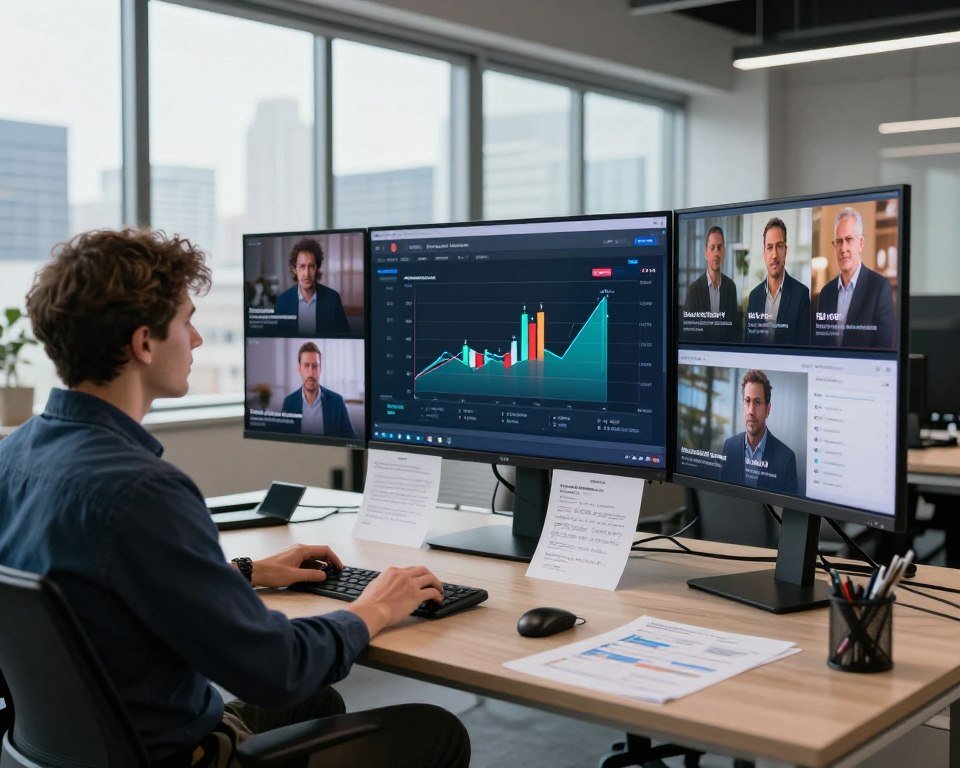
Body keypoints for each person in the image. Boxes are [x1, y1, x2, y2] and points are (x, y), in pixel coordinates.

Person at [0, 229, 469, 768]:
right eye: (186, 322)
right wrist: (374, 608)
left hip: (74, 750)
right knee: (434, 731)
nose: (197, 340)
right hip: (181, 755)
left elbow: (99, 585)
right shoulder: (141, 491)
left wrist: (246, 571)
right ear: (144, 343)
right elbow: (276, 669)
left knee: (318, 702)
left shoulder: (15, 457)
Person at [815, 206, 895, 348]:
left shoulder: (880, 288)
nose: (843, 248)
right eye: (838, 241)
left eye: (849, 239)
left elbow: (884, 348)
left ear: (861, 244)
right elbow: (819, 344)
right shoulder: (826, 293)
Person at [720, 369, 798, 495]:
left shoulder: (786, 458)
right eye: (747, 401)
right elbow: (721, 496)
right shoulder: (729, 447)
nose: (751, 410)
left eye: (757, 402)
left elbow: (789, 511)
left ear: (767, 409)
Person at [744, 217, 810, 345]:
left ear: (785, 250)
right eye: (769, 247)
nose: (774, 255)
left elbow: (803, 348)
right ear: (764, 254)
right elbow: (748, 344)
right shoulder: (754, 297)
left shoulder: (801, 294)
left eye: (779, 246)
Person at [274, 237, 350, 336]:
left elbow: (345, 336)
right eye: (302, 266)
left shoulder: (333, 299)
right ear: (294, 269)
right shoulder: (282, 302)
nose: (306, 273)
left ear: (317, 269)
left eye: (311, 266)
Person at [282, 342, 355, 438]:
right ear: (299, 369)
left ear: (320, 369)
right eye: (306, 366)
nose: (311, 373)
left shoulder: (337, 402)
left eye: (315, 366)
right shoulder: (289, 402)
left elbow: (351, 440)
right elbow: (284, 440)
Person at [682, 226, 740, 342]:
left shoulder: (731, 287)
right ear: (706, 253)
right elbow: (688, 332)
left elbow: (734, 329)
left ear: (724, 251)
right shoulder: (693, 290)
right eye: (712, 248)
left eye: (719, 247)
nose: (716, 253)